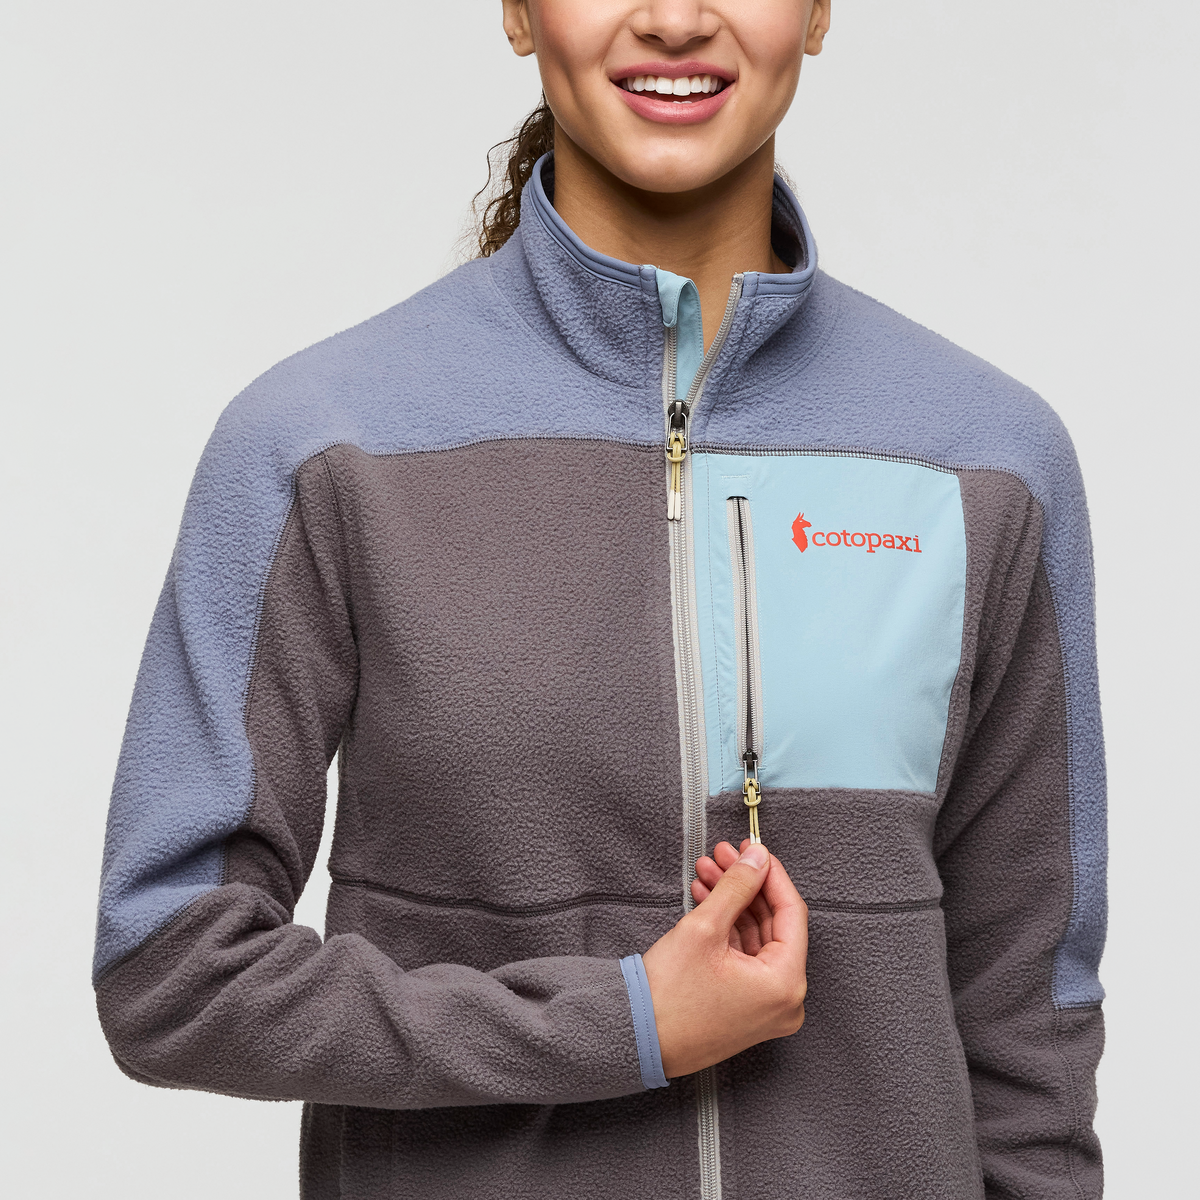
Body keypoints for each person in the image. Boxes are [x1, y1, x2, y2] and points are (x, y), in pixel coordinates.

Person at [93, 2, 1107, 1197]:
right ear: (519, 13)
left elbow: (1029, 1034)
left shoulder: (984, 464)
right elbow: (169, 970)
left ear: (820, 12)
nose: (675, 19)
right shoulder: (327, 446)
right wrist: (624, 1022)